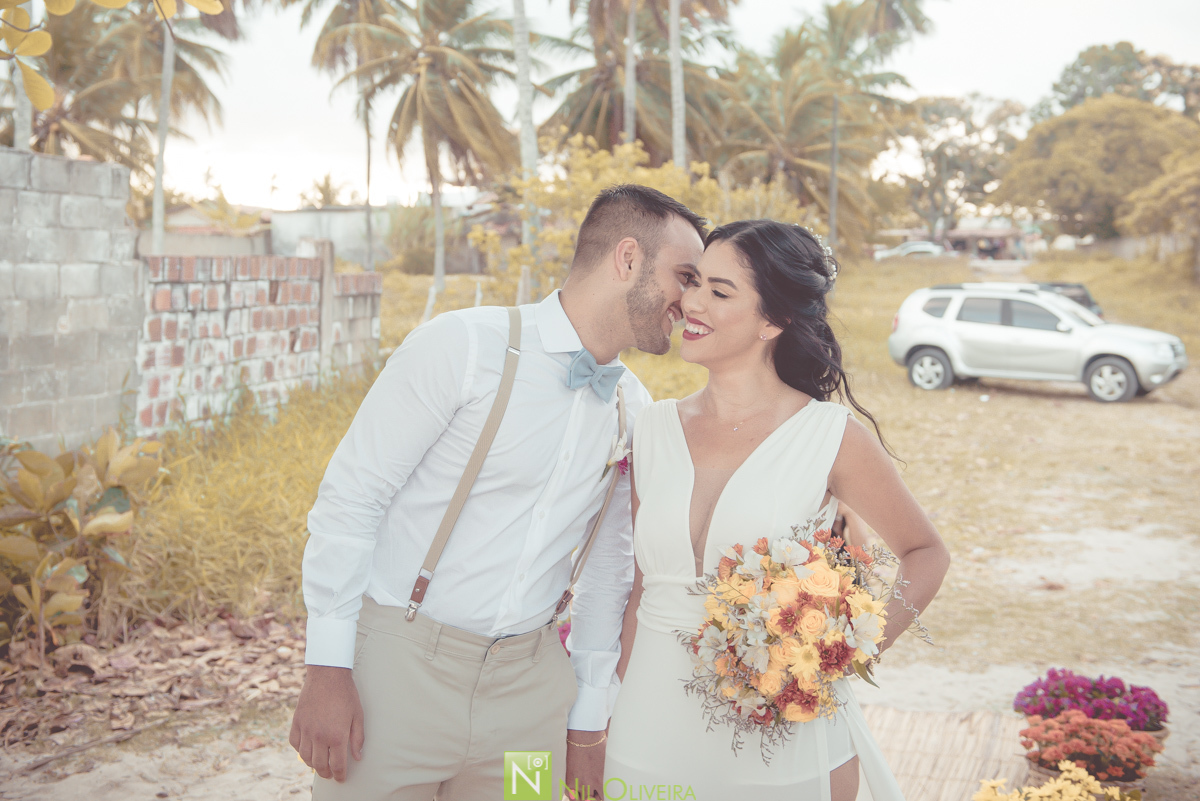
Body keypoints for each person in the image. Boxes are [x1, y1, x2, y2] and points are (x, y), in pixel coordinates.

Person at [289, 185, 706, 800]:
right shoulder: (463, 346)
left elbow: (608, 572)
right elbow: (352, 497)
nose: (691, 300)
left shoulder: (633, 407)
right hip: (398, 669)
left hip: (529, 697)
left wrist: (588, 720)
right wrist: (327, 667)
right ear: (627, 258)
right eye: (685, 276)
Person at [600, 220, 951, 801]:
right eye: (694, 282)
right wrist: (608, 706)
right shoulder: (654, 428)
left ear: (773, 320)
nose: (691, 302)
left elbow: (927, 552)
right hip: (648, 721)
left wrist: (842, 655)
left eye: (719, 291)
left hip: (776, 728)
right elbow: (640, 587)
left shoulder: (830, 435)